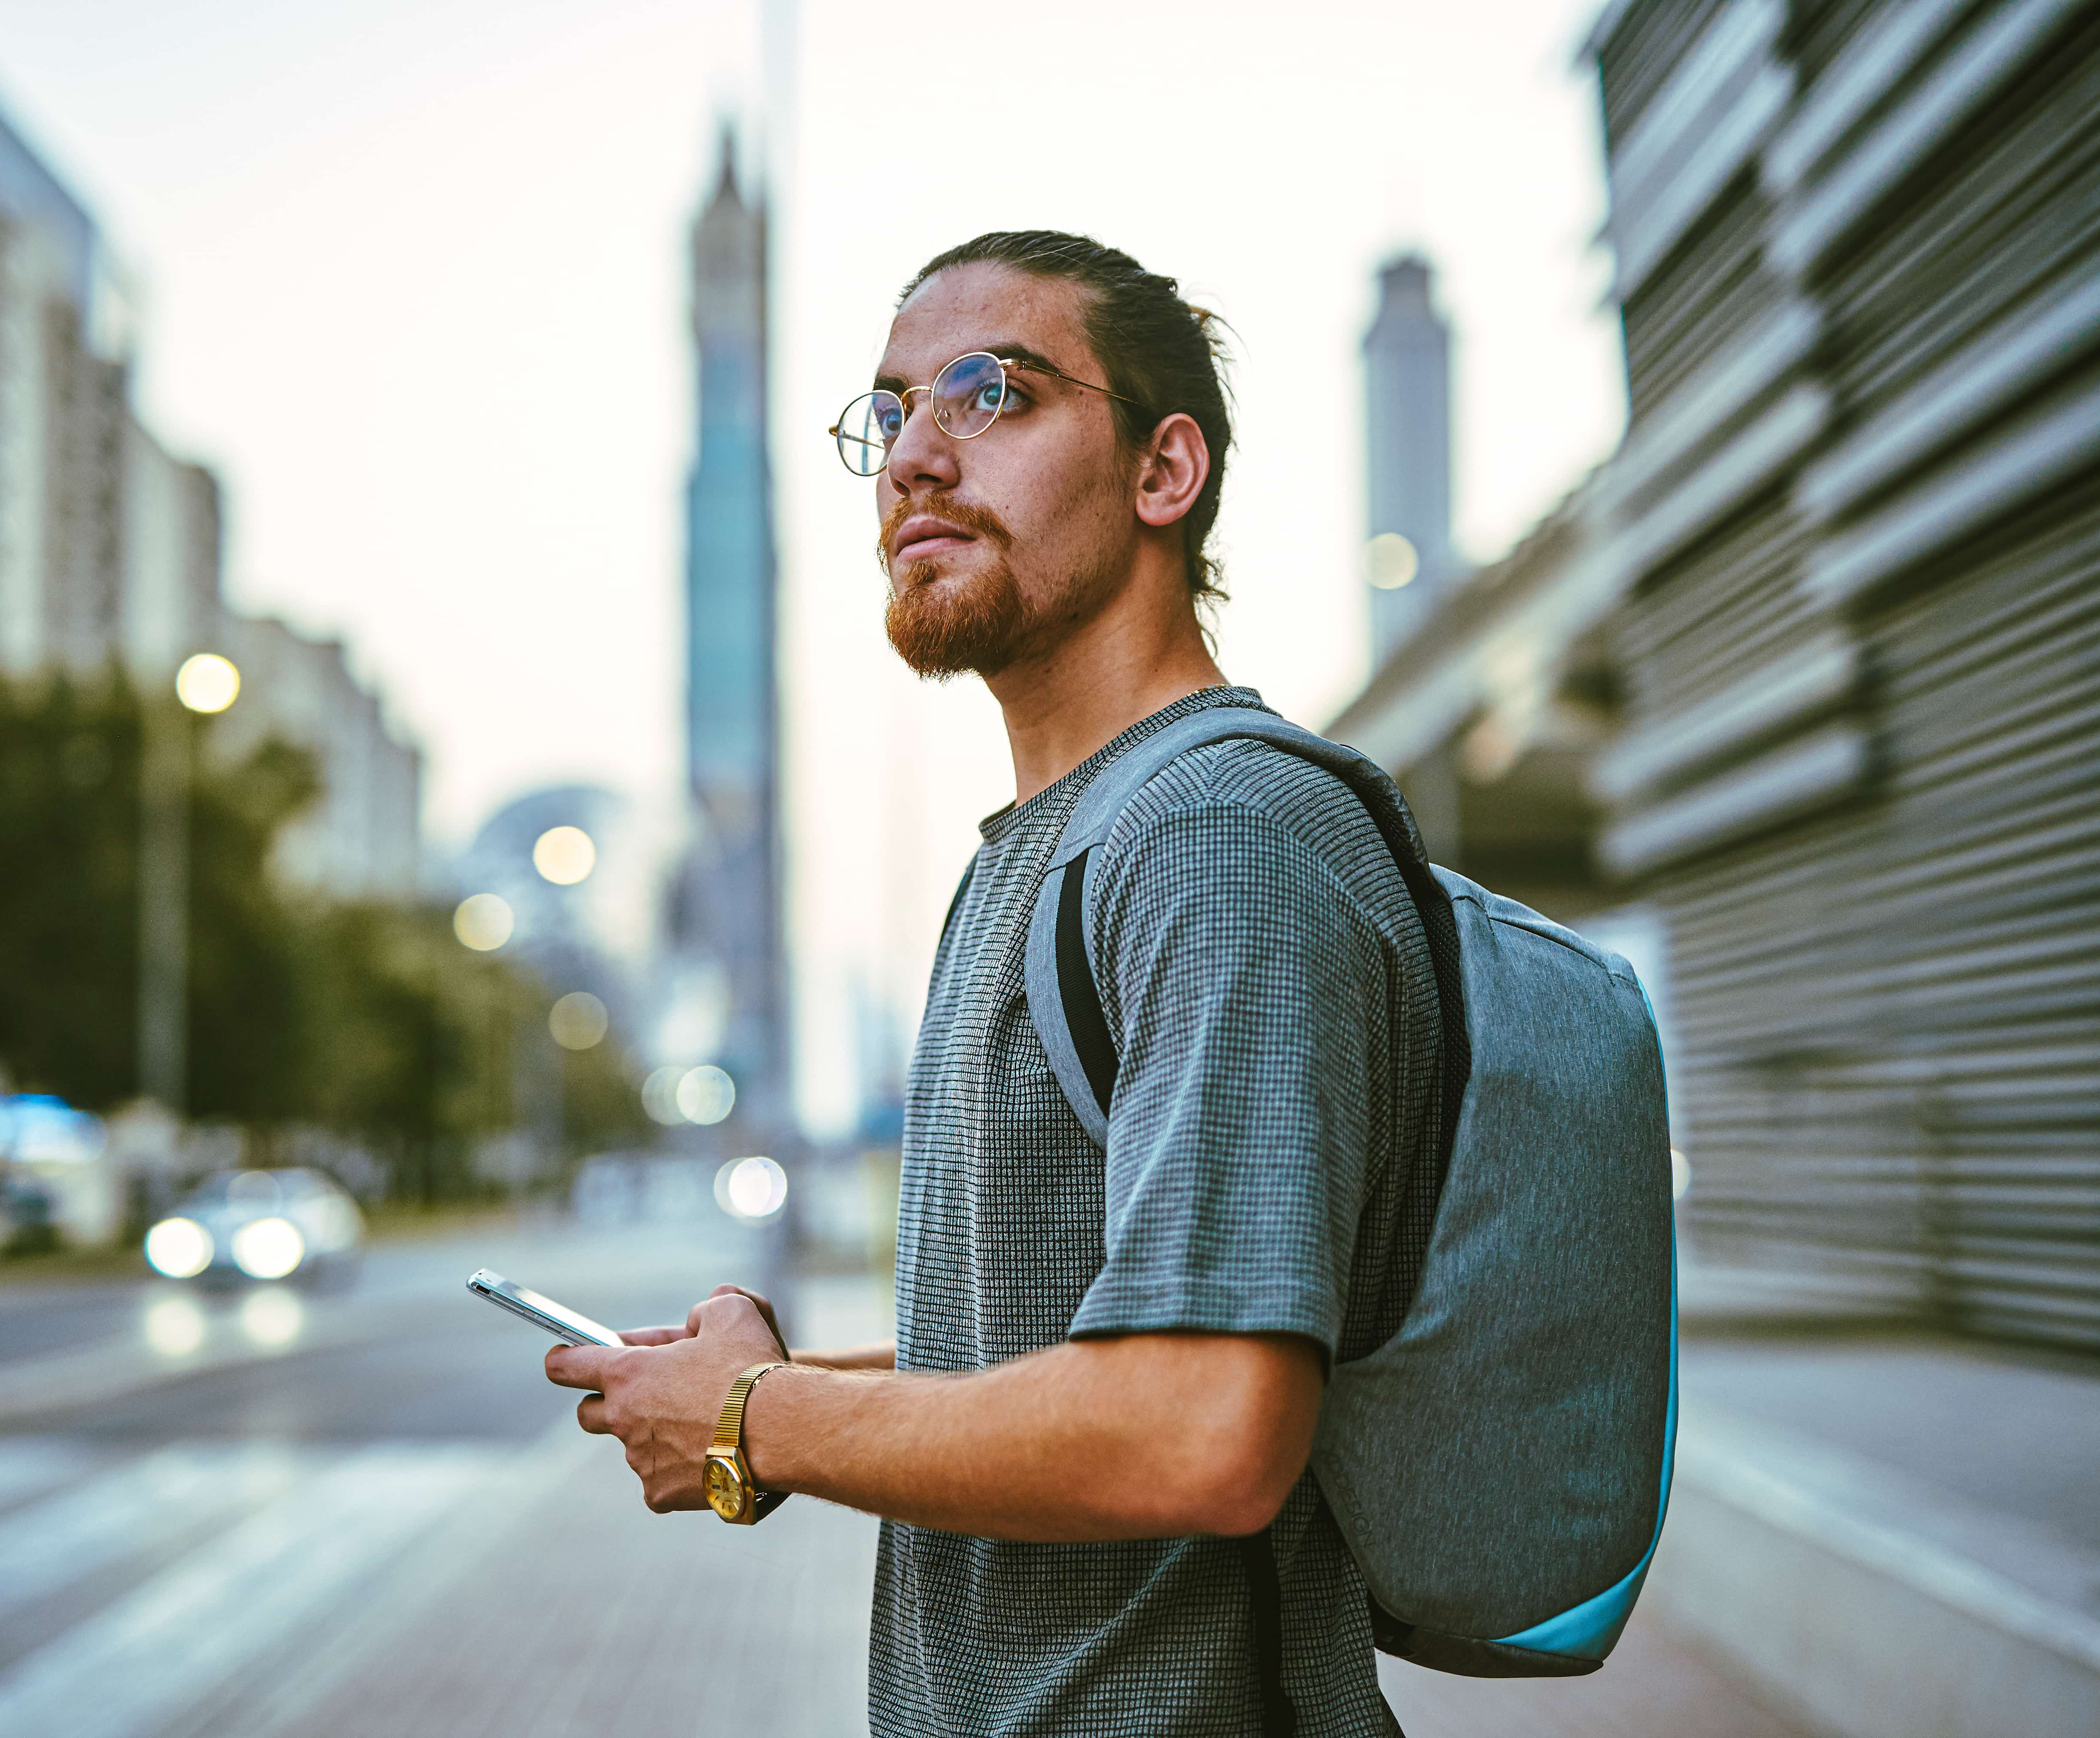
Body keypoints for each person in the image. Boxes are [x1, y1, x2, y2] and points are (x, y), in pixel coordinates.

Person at [548, 230, 1446, 1737]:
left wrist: (762, 1418)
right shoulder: (1047, 850)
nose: (914, 456)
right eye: (892, 412)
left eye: (995, 395)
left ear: (1163, 471)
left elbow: (1204, 1427)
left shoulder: (1219, 833)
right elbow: (1055, 1348)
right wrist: (767, 1385)